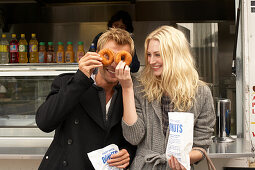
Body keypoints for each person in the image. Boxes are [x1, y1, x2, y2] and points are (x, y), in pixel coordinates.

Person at [116, 25, 216, 169]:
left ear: (175, 55)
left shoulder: (201, 93)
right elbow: (134, 137)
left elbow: (201, 145)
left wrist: (184, 159)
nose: (151, 61)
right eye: (149, 55)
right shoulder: (139, 86)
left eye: (158, 55)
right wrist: (127, 88)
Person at [36, 28, 136, 170]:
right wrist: (80, 79)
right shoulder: (68, 83)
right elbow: (44, 123)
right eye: (110, 56)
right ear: (97, 56)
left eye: (121, 58)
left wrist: (128, 152)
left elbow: (134, 137)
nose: (114, 64)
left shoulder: (128, 92)